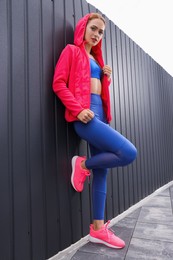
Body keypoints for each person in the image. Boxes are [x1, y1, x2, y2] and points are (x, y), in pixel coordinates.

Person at [52, 13, 137, 249]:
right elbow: (58, 83)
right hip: (86, 118)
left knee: (103, 171)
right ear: (83, 27)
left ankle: (97, 229)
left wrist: (106, 78)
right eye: (94, 28)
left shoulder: (98, 62)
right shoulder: (72, 51)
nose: (97, 35)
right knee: (129, 152)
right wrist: (78, 110)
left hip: (101, 117)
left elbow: (97, 90)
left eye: (101, 32)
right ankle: (81, 165)